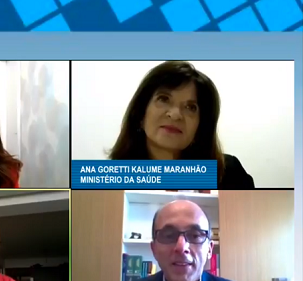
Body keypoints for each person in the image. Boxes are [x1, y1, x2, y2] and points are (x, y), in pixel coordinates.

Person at [107, 61, 254, 189]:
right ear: (140, 114)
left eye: (190, 107)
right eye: (164, 99)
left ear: (200, 127)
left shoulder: (228, 174)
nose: (175, 115)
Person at [119, 200, 250, 281]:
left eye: (195, 235)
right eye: (169, 235)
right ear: (154, 249)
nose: (181, 247)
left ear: (209, 249)